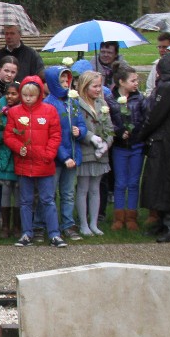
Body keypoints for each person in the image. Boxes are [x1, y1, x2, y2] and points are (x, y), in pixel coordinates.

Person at [135, 52, 170, 243]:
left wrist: (141, 135)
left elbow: (156, 116)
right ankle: (163, 221)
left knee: (164, 182)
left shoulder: (168, 87)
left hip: (164, 141)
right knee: (166, 181)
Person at [4, 76, 64, 247]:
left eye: (32, 96)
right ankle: (26, 233)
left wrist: (48, 154)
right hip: (24, 163)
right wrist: (19, 147)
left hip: (44, 163)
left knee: (48, 199)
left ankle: (54, 234)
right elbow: (9, 135)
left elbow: (55, 135)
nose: (28, 99)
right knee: (25, 201)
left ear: (39, 95)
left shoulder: (49, 111)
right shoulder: (14, 112)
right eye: (25, 95)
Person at [43, 65, 84, 241]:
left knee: (68, 193)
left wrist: (80, 131)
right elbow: (51, 135)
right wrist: (64, 156)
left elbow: (81, 122)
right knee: (50, 193)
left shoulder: (72, 101)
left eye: (67, 81)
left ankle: (68, 224)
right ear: (53, 82)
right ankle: (46, 224)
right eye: (61, 81)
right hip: (56, 158)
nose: (66, 84)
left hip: (72, 155)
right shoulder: (48, 104)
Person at [108, 64, 147, 231]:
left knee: (133, 182)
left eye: (137, 80)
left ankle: (131, 216)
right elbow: (108, 122)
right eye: (133, 80)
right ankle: (118, 217)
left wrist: (138, 133)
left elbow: (146, 119)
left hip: (137, 145)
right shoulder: (110, 100)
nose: (136, 83)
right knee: (120, 182)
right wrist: (118, 132)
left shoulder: (140, 99)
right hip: (119, 148)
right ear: (121, 82)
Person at [74, 70, 113, 236]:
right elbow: (77, 128)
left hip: (101, 153)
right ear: (85, 86)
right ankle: (83, 223)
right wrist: (92, 139)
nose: (98, 89)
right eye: (94, 86)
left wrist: (106, 143)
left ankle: (94, 223)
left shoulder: (102, 103)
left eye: (100, 86)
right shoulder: (77, 103)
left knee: (95, 188)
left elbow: (109, 127)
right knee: (83, 188)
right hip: (86, 151)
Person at [0, 81, 22, 238]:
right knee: (5, 191)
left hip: (18, 156)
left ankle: (17, 225)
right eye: (8, 93)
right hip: (5, 155)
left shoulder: (23, 110)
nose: (10, 96)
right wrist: (7, 136)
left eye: (14, 94)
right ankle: (4, 225)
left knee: (18, 191)